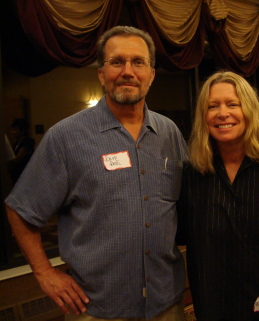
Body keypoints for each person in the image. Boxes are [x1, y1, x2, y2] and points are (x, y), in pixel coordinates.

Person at [5, 26, 188, 321]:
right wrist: (44, 272)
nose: (128, 71)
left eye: (138, 62)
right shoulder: (66, 138)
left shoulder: (169, 133)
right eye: (117, 62)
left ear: (151, 75)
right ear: (101, 74)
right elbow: (20, 209)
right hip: (97, 309)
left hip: (166, 305)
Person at [177, 71, 259, 321]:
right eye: (213, 106)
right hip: (213, 304)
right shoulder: (192, 174)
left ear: (250, 110)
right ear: (204, 116)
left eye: (233, 104)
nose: (223, 113)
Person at [7, 118, 35, 184]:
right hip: (17, 175)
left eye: (15, 130)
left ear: (22, 131)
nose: (12, 132)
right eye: (11, 129)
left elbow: (18, 158)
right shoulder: (16, 144)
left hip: (25, 175)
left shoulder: (28, 142)